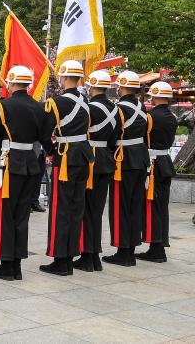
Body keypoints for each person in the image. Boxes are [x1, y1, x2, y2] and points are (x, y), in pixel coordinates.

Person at [0, 65, 48, 280]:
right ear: (28, 83)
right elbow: (45, 139)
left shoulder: (3, 106)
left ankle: (6, 264)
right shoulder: (40, 107)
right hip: (31, 164)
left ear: (11, 82)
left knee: (5, 214)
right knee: (22, 215)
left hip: (10, 165)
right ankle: (17, 264)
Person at [39, 61, 93, 276]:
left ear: (63, 78)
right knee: (76, 209)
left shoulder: (56, 102)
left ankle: (61, 260)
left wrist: (52, 150)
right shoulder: (85, 100)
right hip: (84, 156)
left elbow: (45, 134)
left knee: (61, 209)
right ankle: (71, 255)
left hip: (65, 156)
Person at [73, 70, 120, 272]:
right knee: (97, 211)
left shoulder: (89, 108)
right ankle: (94, 256)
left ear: (91, 86)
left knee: (85, 210)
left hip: (90, 160)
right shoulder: (116, 109)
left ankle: (87, 255)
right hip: (107, 159)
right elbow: (115, 138)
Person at [104, 70, 150, 267]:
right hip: (140, 158)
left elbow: (112, 136)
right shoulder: (142, 107)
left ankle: (123, 251)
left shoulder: (119, 109)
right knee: (134, 206)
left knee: (120, 206)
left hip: (124, 160)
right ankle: (131, 248)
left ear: (121, 87)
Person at [137, 81, 178, 262]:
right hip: (165, 161)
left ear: (154, 95)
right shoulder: (172, 117)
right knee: (162, 207)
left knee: (152, 207)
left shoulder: (150, 117)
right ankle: (159, 245)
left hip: (153, 164)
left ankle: (156, 248)